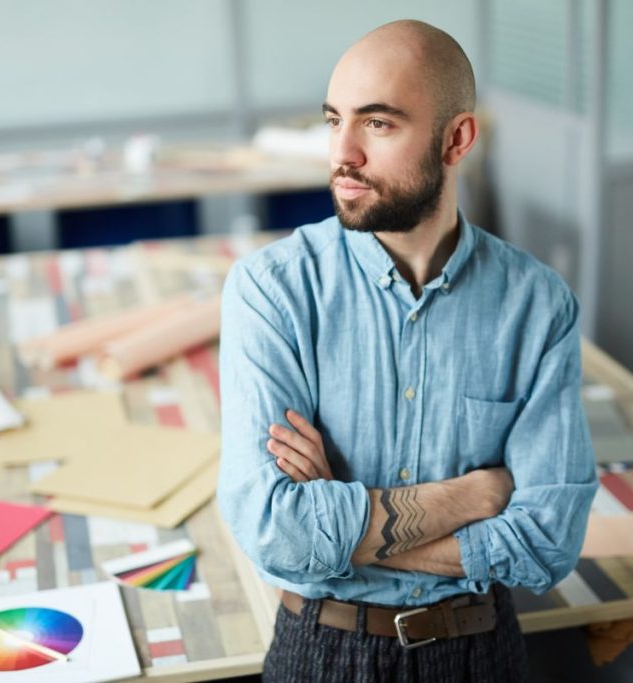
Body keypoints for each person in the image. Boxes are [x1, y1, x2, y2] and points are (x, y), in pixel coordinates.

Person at [218, 19, 597, 683]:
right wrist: (476, 494)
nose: (343, 153)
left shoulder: (537, 306)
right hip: (321, 648)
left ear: (457, 139)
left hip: (482, 652)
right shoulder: (272, 289)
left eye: (378, 124)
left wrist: (336, 516)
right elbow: (273, 528)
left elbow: (547, 543)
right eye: (334, 120)